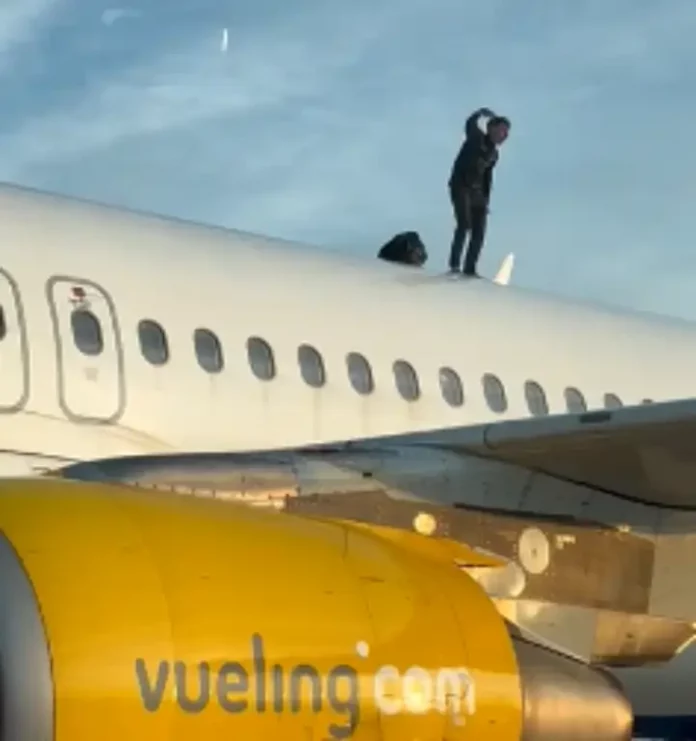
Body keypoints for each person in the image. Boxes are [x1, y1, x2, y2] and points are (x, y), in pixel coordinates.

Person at [447, 107, 510, 277]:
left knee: (479, 231)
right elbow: (469, 123)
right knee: (464, 224)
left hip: (477, 192)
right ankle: (454, 265)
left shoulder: (494, 154)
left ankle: (470, 268)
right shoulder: (476, 137)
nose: (504, 135)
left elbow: (487, 178)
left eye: (507, 133)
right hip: (460, 186)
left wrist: (486, 200)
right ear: (491, 128)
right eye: (502, 130)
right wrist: (480, 113)